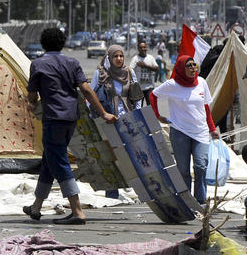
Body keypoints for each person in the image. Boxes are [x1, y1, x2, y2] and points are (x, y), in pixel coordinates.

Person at [23, 28, 117, 224]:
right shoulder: (72, 63)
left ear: (43, 44)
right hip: (71, 118)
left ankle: (77, 210)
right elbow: (86, 89)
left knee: (59, 161)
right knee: (50, 160)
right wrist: (104, 113)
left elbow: (32, 95)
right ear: (63, 43)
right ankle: (36, 207)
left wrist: (31, 104)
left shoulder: (38, 64)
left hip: (53, 119)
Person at [150, 55, 220, 205]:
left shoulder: (201, 82)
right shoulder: (172, 85)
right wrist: (158, 116)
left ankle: (200, 200)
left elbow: (206, 107)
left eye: (194, 65)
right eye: (189, 66)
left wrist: (212, 128)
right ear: (181, 68)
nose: (193, 68)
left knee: (201, 165)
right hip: (180, 132)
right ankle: (187, 200)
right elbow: (153, 95)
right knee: (183, 170)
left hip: (200, 132)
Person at [90, 45, 143, 200]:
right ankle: (112, 194)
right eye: (115, 56)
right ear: (109, 57)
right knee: (111, 157)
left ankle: (135, 188)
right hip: (107, 120)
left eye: (121, 56)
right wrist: (98, 116)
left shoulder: (129, 72)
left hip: (126, 119)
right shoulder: (100, 74)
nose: (119, 59)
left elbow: (137, 96)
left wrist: (135, 115)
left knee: (130, 155)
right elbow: (90, 96)